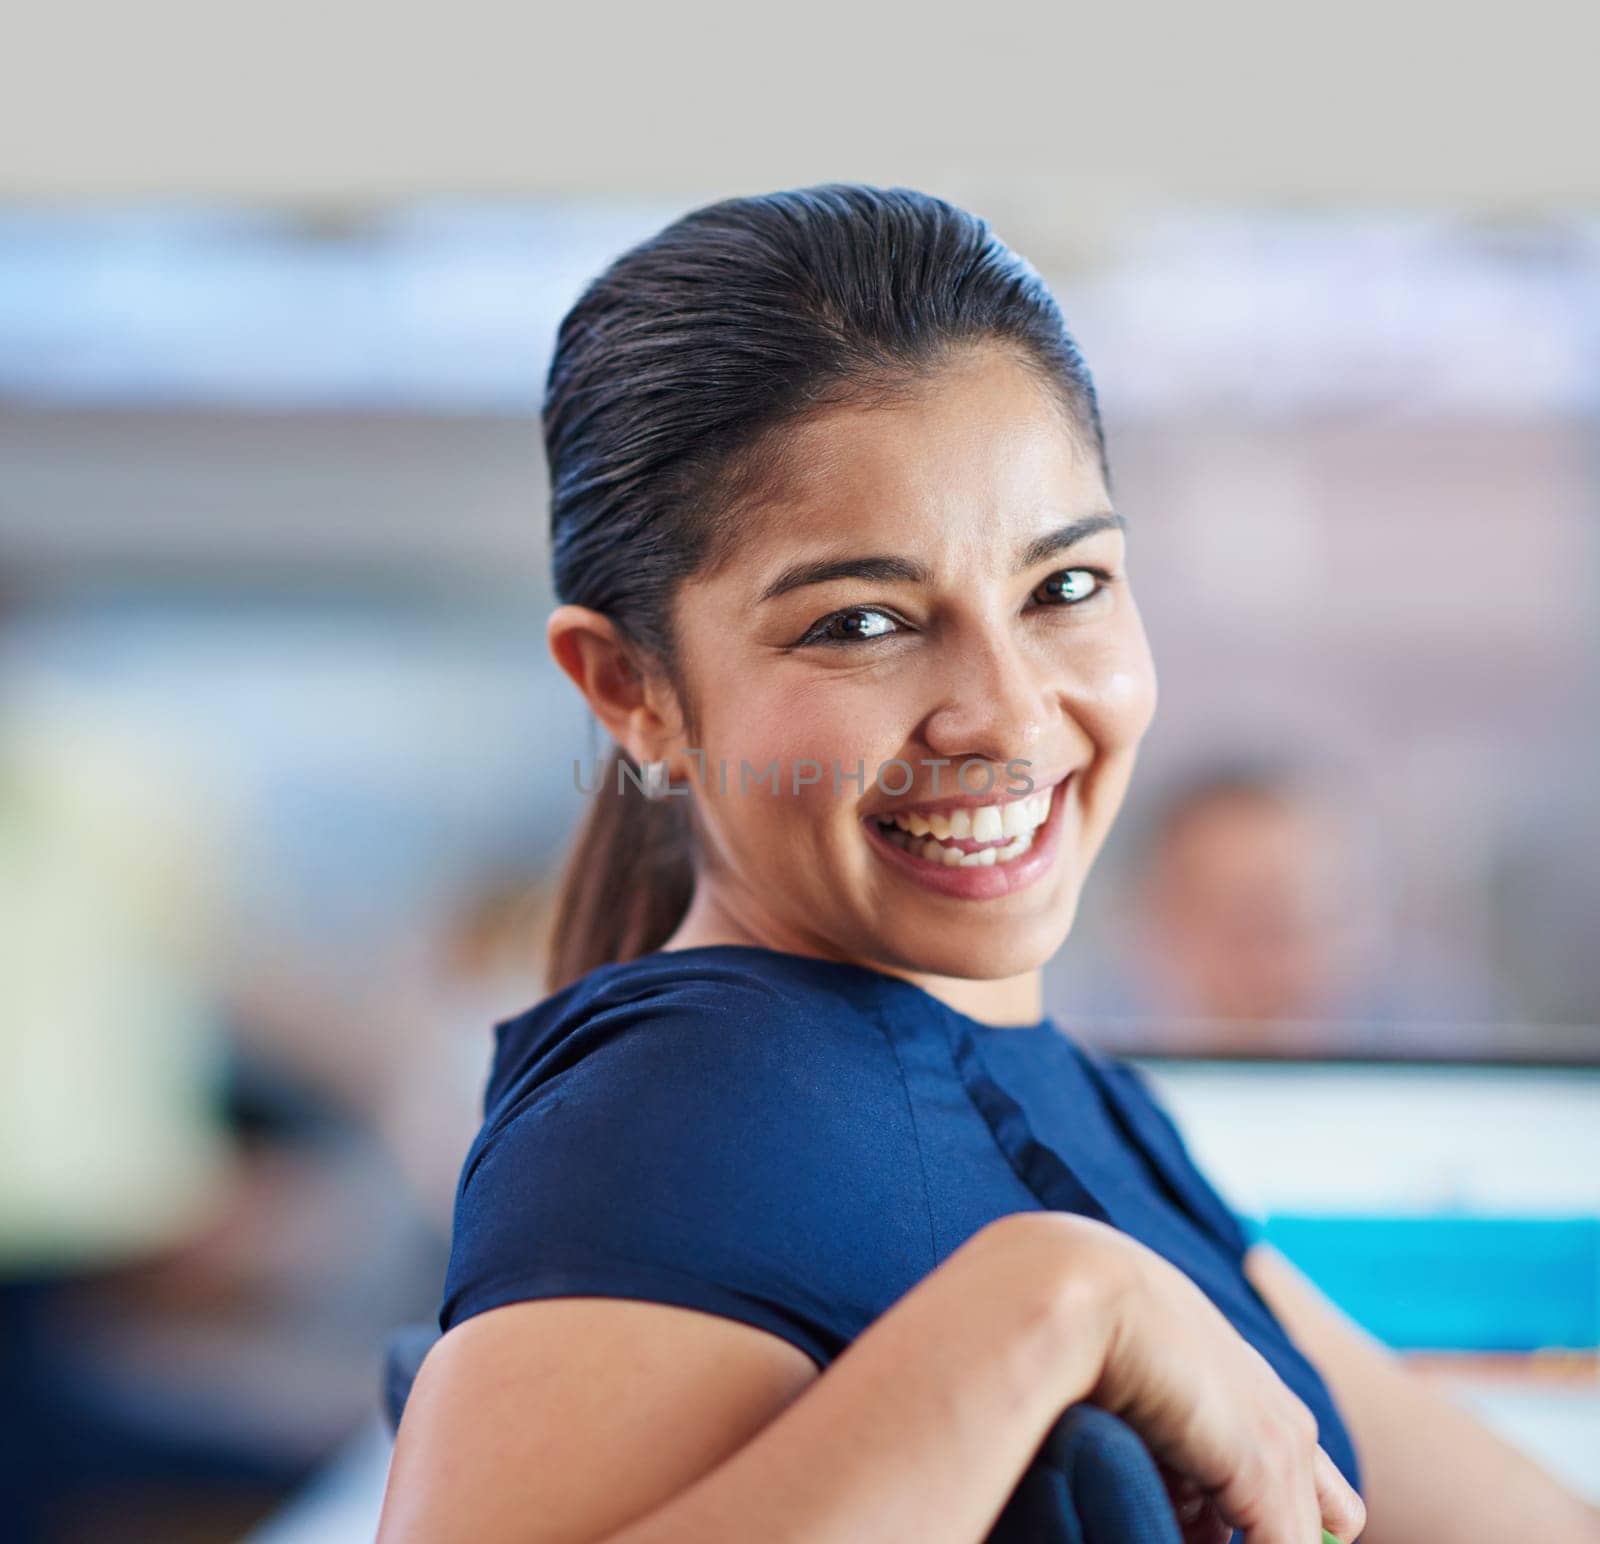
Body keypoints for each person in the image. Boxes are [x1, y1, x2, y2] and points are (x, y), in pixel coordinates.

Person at [376, 186, 1599, 1543]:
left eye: (1064, 588)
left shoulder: (1084, 1102)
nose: (1011, 716)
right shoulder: (686, 1115)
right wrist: (1049, 1312)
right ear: (630, 690)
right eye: (863, 623)